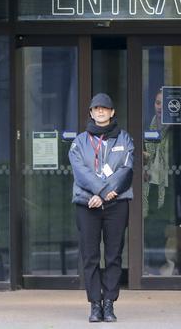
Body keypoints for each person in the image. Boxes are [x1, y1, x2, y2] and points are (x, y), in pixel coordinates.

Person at [69, 93, 134, 323]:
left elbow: (125, 170)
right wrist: (99, 193)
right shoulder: (79, 142)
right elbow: (81, 173)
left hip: (116, 204)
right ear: (90, 112)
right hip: (87, 205)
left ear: (112, 112)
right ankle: (95, 304)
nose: (100, 111)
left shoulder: (124, 139)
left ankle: (109, 304)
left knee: (114, 255)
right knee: (90, 256)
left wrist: (105, 195)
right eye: (96, 108)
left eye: (104, 108)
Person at [142, 88, 181, 276]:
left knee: (157, 225)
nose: (160, 107)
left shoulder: (180, 133)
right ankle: (159, 264)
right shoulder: (149, 129)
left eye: (165, 103)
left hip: (171, 189)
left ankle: (162, 265)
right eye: (157, 103)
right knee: (150, 225)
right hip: (151, 188)